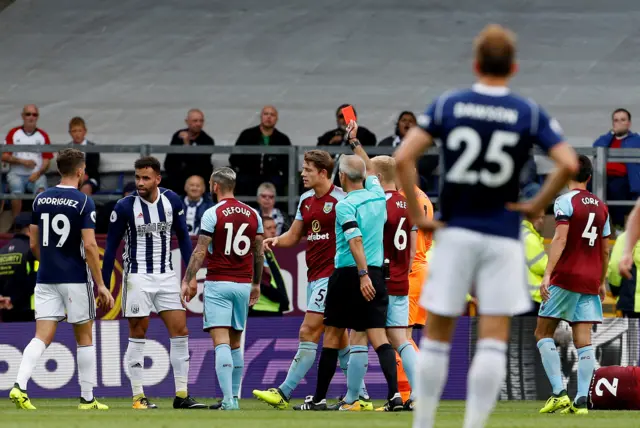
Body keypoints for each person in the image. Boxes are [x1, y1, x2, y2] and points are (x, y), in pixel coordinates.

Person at [394, 24, 579, 428]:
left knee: (438, 335)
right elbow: (568, 163)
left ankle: (423, 423)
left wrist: (417, 212)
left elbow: (404, 157)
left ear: (475, 63)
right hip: (501, 234)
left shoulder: (448, 105)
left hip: (455, 230)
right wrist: (536, 204)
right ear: (514, 66)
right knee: (494, 339)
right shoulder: (525, 110)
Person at [252, 150, 365, 410]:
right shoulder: (305, 200)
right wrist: (276, 241)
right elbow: (294, 236)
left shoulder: (342, 200)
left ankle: (284, 392)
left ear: (323, 173)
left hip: (333, 275)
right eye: (303, 169)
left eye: (308, 170)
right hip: (314, 276)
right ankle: (361, 396)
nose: (302, 174)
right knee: (338, 338)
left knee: (308, 330)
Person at [296, 137, 402, 412]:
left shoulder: (344, 205)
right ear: (366, 176)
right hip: (377, 274)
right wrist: (356, 144)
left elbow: (354, 241)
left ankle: (319, 399)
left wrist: (361, 274)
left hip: (348, 275)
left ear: (341, 176)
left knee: (332, 336)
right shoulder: (378, 195)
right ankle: (395, 397)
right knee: (379, 337)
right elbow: (369, 168)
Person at [8, 148, 114, 410]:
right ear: (80, 171)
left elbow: (33, 241)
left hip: (46, 277)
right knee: (84, 335)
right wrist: (100, 284)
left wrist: (47, 264)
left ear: (58, 169)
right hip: (75, 278)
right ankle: (87, 399)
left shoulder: (40, 199)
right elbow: (90, 246)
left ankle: (19, 386)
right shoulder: (82, 201)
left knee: (41, 336)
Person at [101, 156, 206, 410]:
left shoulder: (172, 201)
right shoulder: (124, 207)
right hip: (137, 278)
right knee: (138, 334)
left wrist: (189, 277)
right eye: (137, 177)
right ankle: (138, 397)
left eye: (146, 178)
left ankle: (182, 395)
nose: (140, 182)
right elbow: (111, 247)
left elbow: (183, 237)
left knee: (180, 332)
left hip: (167, 276)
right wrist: (103, 286)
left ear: (158, 179)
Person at [180, 167, 264, 411]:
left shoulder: (212, 213)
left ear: (214, 186)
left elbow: (200, 251)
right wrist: (256, 283)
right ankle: (235, 398)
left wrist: (188, 279)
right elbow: (258, 253)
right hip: (242, 283)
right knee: (236, 343)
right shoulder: (253, 214)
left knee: (221, 342)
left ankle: (227, 400)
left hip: (218, 282)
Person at [534, 155, 609, 415]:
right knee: (583, 340)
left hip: (566, 276)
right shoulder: (601, 206)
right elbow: (604, 249)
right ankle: (581, 401)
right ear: (589, 176)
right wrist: (601, 281)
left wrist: (547, 275)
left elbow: (560, 239)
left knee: (543, 333)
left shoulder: (564, 201)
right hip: (590, 279)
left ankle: (558, 393)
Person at [366, 154, 419, 411]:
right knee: (401, 338)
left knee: (359, 335)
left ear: (376, 178)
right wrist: (404, 270)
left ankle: (355, 398)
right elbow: (413, 249)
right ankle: (419, 395)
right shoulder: (409, 204)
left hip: (379, 279)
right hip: (401, 278)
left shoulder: (377, 204)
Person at [593, 108, 640, 229]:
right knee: (587, 189)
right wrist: (611, 134)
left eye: (622, 120)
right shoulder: (607, 139)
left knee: (615, 189)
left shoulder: (636, 140)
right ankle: (591, 229)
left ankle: (619, 226)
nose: (619, 123)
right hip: (602, 175)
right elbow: (596, 148)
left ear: (629, 123)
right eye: (616, 120)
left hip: (624, 177)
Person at [3, 104, 53, 218]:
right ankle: (17, 224)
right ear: (23, 116)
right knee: (16, 192)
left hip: (36, 174)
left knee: (42, 192)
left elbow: (47, 160)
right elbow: (4, 156)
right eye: (28, 114)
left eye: (34, 114)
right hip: (16, 174)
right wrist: (22, 161)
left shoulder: (43, 135)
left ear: (37, 117)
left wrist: (38, 173)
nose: (31, 117)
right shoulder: (13, 133)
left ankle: (40, 224)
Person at [229, 105, 292, 196]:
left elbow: (288, 164)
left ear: (276, 119)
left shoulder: (282, 139)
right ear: (261, 117)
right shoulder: (246, 135)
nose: (269, 117)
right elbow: (234, 158)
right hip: (248, 178)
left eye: (272, 115)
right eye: (266, 114)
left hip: (272, 180)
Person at [164, 108, 215, 195]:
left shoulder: (207, 140)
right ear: (187, 121)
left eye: (201, 121)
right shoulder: (178, 136)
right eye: (195, 121)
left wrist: (187, 145)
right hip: (177, 177)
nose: (198, 124)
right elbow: (170, 160)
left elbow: (197, 164)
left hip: (198, 178)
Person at [0, 213, 37, 322]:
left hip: (6, 310)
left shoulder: (2, 251)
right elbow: (35, 278)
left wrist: (3, 299)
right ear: (30, 228)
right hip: (30, 311)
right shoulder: (34, 251)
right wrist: (13, 299)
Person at [250, 216, 290, 316]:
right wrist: (278, 296)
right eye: (269, 228)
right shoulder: (254, 251)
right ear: (259, 230)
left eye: (274, 227)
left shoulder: (267, 251)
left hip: (273, 307)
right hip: (260, 309)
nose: (273, 231)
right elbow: (260, 281)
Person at [521, 209, 547, 315]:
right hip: (532, 297)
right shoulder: (529, 237)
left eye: (543, 217)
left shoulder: (522, 233)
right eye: (538, 217)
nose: (541, 221)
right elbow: (543, 266)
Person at [609, 231, 640, 317]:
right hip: (632, 302)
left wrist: (615, 288)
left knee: (633, 330)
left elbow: (615, 266)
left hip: (632, 302)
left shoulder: (626, 237)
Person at [68, 117, 100, 194]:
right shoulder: (67, 149)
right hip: (70, 179)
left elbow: (94, 167)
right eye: (74, 131)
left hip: (89, 178)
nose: (77, 134)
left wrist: (84, 175)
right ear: (70, 133)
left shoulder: (92, 147)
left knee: (86, 188)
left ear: (85, 132)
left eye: (80, 131)